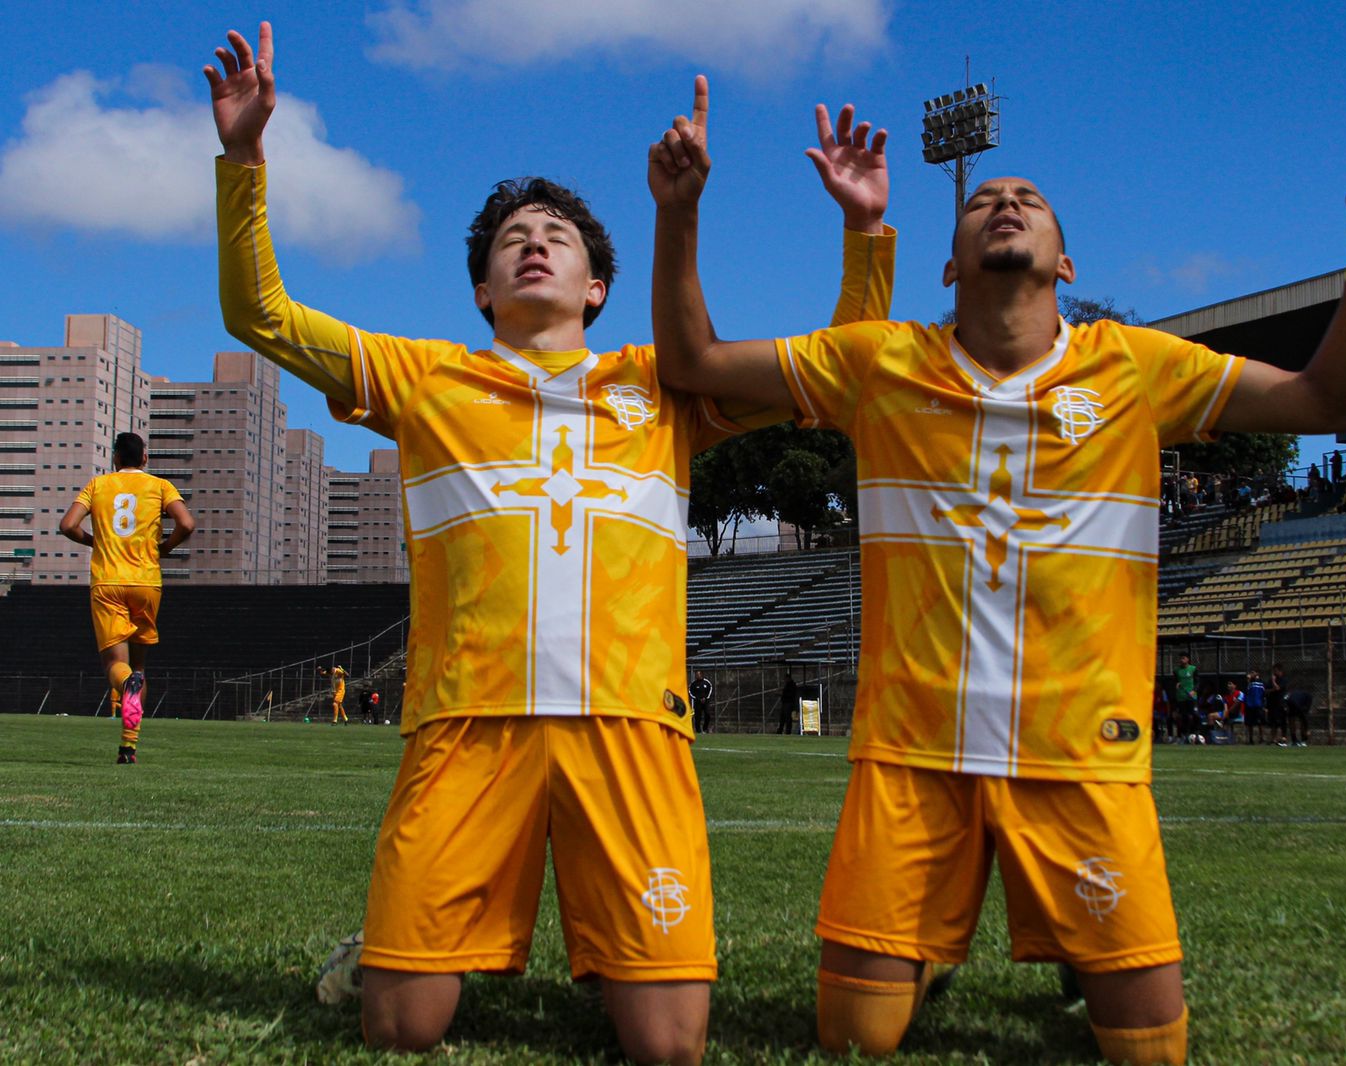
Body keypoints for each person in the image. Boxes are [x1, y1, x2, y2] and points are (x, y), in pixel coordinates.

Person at [651, 95, 1346, 1064]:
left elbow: (1325, 400)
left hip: (1081, 760)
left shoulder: (1135, 368)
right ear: (945, 264)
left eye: (1030, 199)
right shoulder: (880, 363)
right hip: (912, 761)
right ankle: (939, 943)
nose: (1004, 202)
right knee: (853, 1039)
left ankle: (1067, 942)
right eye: (983, 202)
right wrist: (680, 213)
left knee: (1150, 1052)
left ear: (1066, 263)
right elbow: (691, 361)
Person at [206, 25, 895, 1061]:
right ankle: (400, 950)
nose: (534, 241)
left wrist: (865, 235)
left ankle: (611, 955)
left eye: (558, 236)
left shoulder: (664, 382)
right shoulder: (423, 378)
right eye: (511, 238)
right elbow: (259, 314)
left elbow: (843, 372)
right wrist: (244, 158)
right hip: (466, 724)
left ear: (596, 289)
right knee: (400, 1027)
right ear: (483, 289)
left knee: (668, 1047)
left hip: (630, 726)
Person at [58, 432, 195, 763]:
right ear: (145, 458)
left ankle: (127, 685)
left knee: (114, 666)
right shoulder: (160, 486)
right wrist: (165, 548)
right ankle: (128, 747)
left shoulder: (98, 485)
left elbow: (67, 526)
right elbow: (187, 523)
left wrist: (96, 542)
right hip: (146, 582)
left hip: (108, 582)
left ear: (115, 458)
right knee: (140, 666)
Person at [1172, 654, 1198, 737]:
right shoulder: (1176, 670)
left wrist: (1194, 690)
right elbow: (1175, 681)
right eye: (1180, 658)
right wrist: (1176, 684)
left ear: (1188, 659)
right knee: (1183, 716)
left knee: (1194, 715)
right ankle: (1184, 734)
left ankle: (1195, 733)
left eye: (1183, 658)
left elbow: (1198, 682)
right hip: (1181, 696)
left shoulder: (1193, 669)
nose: (1181, 660)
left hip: (1191, 696)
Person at [1267, 663, 1290, 747]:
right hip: (1272, 703)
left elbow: (1277, 688)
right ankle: (1274, 739)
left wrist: (1273, 682)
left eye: (1276, 671)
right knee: (1273, 722)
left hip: (1281, 703)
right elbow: (1267, 690)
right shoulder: (1271, 680)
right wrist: (1273, 688)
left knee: (1282, 721)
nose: (1274, 673)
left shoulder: (1283, 679)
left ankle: (1283, 738)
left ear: (1280, 671)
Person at [1242, 670, 1266, 745]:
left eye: (1253, 673)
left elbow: (1262, 693)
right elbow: (1246, 692)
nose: (1251, 674)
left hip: (1258, 705)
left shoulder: (1259, 683)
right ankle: (1250, 739)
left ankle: (1261, 738)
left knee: (1260, 722)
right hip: (1250, 705)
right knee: (1249, 723)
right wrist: (1248, 681)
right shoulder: (1249, 683)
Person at [689, 670, 714, 734]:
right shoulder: (693, 684)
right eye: (696, 675)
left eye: (698, 674)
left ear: (701, 675)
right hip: (697, 702)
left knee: (707, 714)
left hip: (705, 702)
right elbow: (690, 692)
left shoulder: (706, 682)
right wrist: (697, 698)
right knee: (697, 716)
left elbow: (710, 689)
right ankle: (698, 730)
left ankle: (705, 728)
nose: (697, 676)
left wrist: (706, 698)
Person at [778, 671, 799, 735]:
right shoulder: (788, 685)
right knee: (783, 718)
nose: (785, 680)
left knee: (787, 718)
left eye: (786, 679)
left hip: (788, 703)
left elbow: (790, 694)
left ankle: (788, 731)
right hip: (785, 703)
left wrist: (782, 694)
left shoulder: (791, 685)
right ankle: (780, 730)